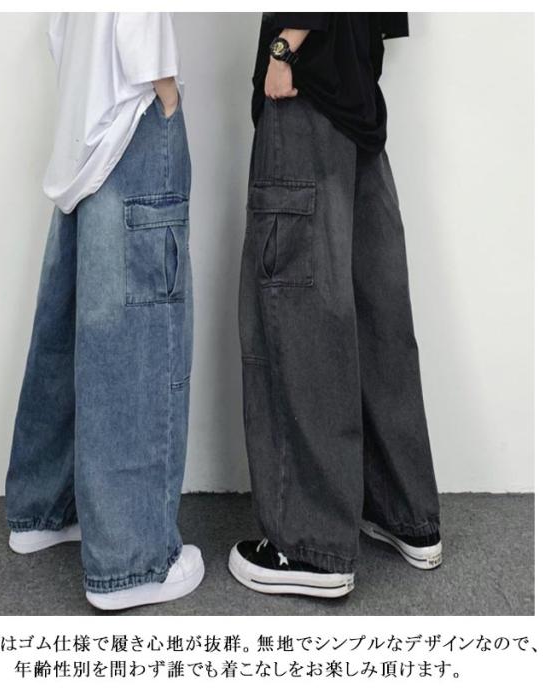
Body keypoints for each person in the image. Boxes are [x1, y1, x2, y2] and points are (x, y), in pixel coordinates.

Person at [229, 12, 442, 598]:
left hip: (308, 90)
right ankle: (403, 512)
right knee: (377, 316)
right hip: (357, 100)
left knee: (300, 320)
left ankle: (311, 546)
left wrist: (284, 45)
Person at [5, 12, 204, 611]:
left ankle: (48, 509)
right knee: (139, 342)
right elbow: (139, 22)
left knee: (71, 325)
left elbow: (59, 31)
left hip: (81, 133)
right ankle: (131, 564)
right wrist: (166, 93)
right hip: (131, 123)